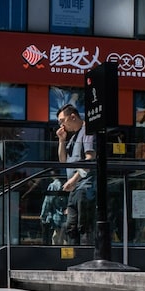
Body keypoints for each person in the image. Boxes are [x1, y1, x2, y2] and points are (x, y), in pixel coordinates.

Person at [56, 104, 96, 245]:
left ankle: (86, 260)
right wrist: (61, 140)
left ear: (72, 116)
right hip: (74, 189)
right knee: (71, 227)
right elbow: (63, 161)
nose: (61, 124)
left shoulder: (87, 131)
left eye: (62, 120)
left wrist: (73, 180)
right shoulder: (73, 137)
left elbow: (90, 159)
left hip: (84, 188)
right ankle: (74, 260)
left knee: (83, 226)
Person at [40, 171, 67, 245]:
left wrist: (43, 216)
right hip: (68, 220)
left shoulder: (54, 186)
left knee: (57, 242)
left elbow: (47, 202)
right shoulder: (71, 182)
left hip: (57, 219)